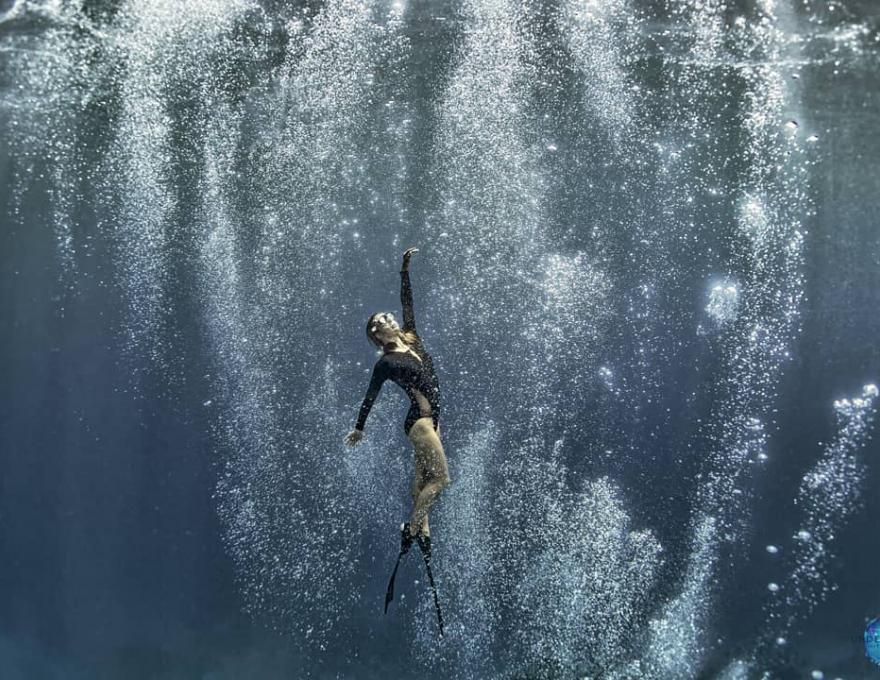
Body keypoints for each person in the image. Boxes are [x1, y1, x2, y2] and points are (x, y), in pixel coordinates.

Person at [343, 247, 450, 555]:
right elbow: (370, 396)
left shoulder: (412, 338)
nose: (391, 318)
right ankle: (413, 527)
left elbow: (407, 302)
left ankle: (423, 530)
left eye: (389, 316)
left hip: (434, 420)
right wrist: (359, 428)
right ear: (377, 333)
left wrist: (404, 270)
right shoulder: (386, 363)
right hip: (418, 421)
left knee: (423, 478)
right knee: (441, 479)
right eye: (383, 319)